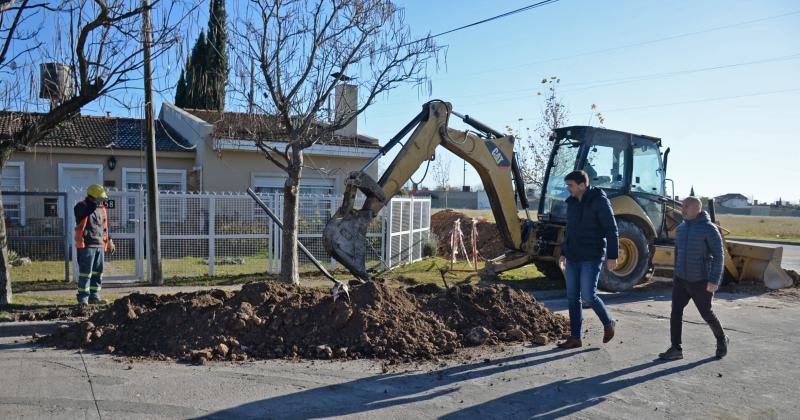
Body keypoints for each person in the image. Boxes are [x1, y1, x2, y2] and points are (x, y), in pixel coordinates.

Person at [659, 196, 729, 360]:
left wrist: (714, 280)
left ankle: (721, 339)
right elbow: (678, 252)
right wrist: (676, 273)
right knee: (676, 311)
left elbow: (719, 256)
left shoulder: (709, 229)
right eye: (682, 206)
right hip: (681, 279)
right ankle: (676, 348)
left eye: (686, 207)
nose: (682, 210)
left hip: (701, 280)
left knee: (706, 313)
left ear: (697, 209)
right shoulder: (681, 228)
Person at [557, 170, 619, 349]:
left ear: (582, 185)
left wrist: (612, 255)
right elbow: (570, 230)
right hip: (573, 255)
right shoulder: (572, 203)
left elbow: (611, 229)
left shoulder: (599, 201)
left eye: (571, 185)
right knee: (572, 297)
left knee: (588, 296)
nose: (568, 189)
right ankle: (575, 337)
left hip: (591, 256)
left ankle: (608, 322)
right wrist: (563, 252)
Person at [74, 184, 115, 305]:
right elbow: (88, 210)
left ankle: (94, 297)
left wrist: (110, 241)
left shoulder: (101, 208)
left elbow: (105, 227)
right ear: (93, 196)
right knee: (85, 274)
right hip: (86, 245)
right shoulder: (81, 206)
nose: (102, 200)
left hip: (99, 245)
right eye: (100, 197)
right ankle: (83, 299)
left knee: (97, 273)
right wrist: (92, 201)